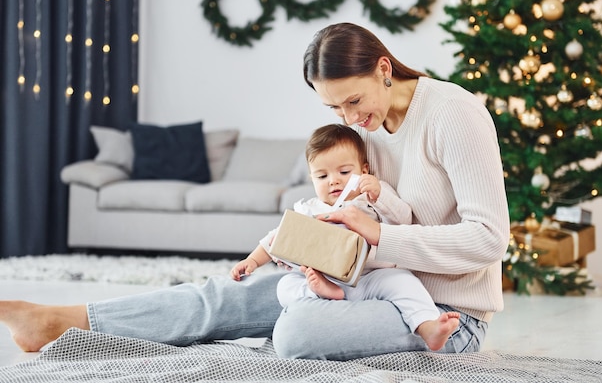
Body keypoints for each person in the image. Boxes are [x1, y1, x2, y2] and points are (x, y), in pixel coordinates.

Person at [0, 22, 509, 361]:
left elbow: (490, 239)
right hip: (354, 283)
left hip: (443, 313)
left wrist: (377, 236)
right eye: (336, 111)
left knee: (295, 333)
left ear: (383, 68)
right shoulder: (368, 126)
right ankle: (64, 322)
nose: (353, 120)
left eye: (354, 101)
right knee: (225, 294)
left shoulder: (453, 114)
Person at [231, 124, 460, 351]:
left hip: (372, 277)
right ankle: (320, 293)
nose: (333, 180)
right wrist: (252, 261)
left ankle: (427, 327)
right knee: (285, 286)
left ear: (364, 170)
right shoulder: (310, 210)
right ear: (312, 179)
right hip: (325, 280)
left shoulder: (372, 198)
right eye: (322, 176)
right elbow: (277, 238)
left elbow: (404, 219)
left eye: (344, 172)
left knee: (404, 282)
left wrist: (379, 194)